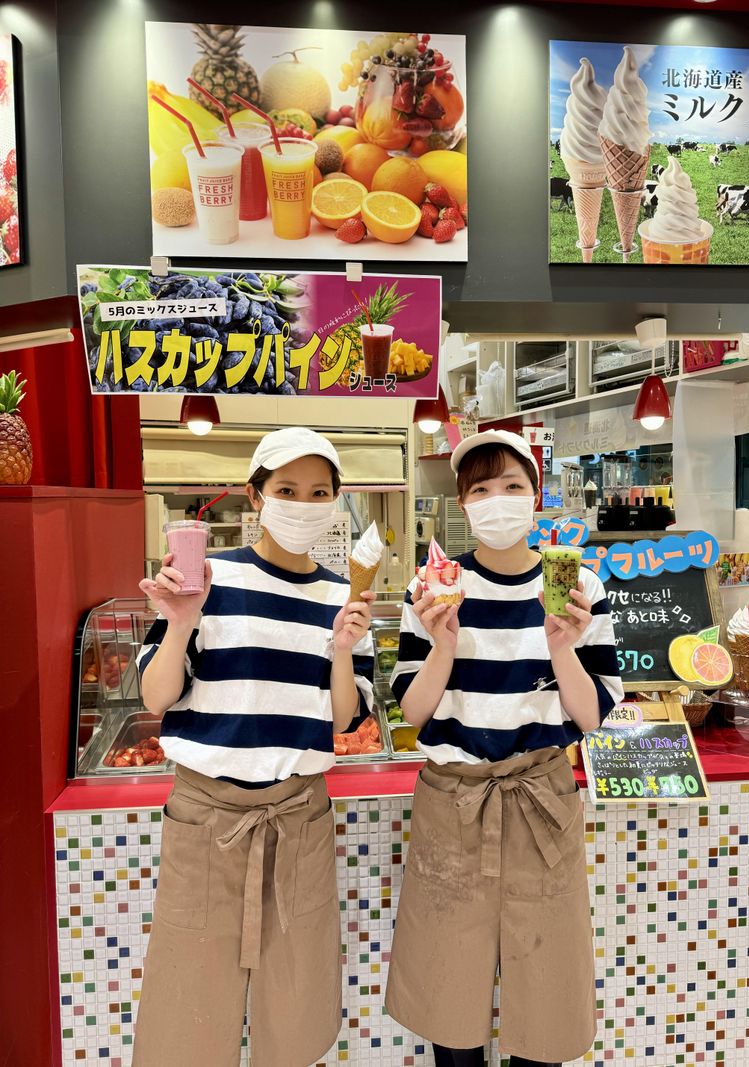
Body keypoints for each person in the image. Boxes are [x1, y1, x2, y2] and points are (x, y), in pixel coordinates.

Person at [132, 427, 375, 1067]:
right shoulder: (209, 577)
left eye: (319, 492)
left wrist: (342, 649)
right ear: (256, 495)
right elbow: (157, 696)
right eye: (287, 490)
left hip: (298, 817)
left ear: (336, 501)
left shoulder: (341, 597)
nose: (303, 504)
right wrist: (181, 623)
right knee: (189, 1003)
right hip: (207, 819)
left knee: (294, 1003)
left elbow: (345, 719)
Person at [385, 430, 623, 1067]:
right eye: (481, 489)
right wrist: (443, 644)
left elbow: (591, 716)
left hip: (542, 797)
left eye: (512, 485)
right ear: (463, 504)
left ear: (535, 497)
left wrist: (563, 647)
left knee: (545, 990)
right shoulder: (434, 586)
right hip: (453, 802)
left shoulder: (577, 585)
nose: (497, 499)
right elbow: (412, 711)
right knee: (449, 989)